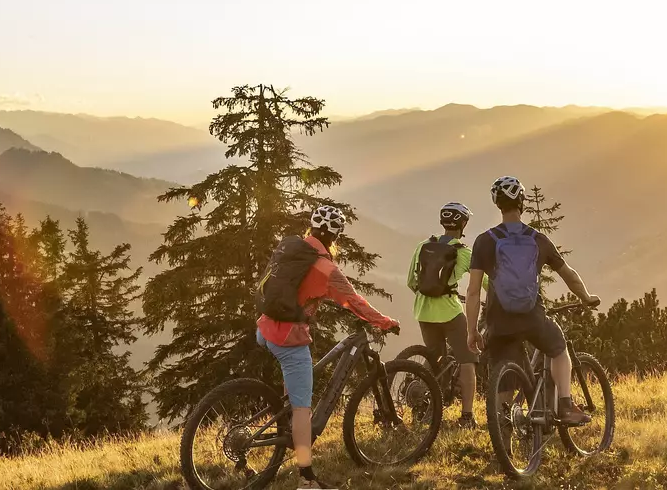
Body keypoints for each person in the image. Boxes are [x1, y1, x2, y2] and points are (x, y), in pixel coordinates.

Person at [256, 205, 400, 489]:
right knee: (301, 408)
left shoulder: (291, 247)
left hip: (265, 327)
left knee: (294, 386)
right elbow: (354, 301)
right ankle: (306, 479)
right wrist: (384, 322)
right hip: (288, 337)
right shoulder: (326, 268)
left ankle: (290, 428)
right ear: (336, 236)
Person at [464, 176, 600, 425]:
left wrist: (472, 331)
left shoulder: (484, 241)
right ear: (521, 202)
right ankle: (566, 406)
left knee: (503, 375)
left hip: (499, 319)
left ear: (498, 204)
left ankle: (504, 431)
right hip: (532, 317)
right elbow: (568, 274)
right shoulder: (538, 239)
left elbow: (473, 293)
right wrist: (586, 297)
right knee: (558, 349)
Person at [408, 202, 479, 427]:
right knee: (467, 360)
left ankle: (424, 409)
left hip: (423, 310)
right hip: (450, 312)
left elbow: (412, 281)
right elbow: (486, 282)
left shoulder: (423, 246)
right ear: (463, 224)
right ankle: (467, 417)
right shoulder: (465, 252)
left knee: (434, 359)